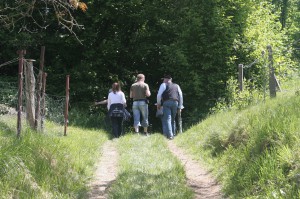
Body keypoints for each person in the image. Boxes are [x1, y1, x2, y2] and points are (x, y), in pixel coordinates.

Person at [156, 75, 183, 140]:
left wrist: (158, 103)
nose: (163, 80)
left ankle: (170, 135)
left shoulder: (163, 85)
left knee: (168, 118)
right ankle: (173, 134)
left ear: (166, 79)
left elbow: (159, 95)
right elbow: (181, 95)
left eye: (163, 79)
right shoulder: (177, 85)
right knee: (173, 119)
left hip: (166, 103)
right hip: (175, 102)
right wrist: (180, 106)